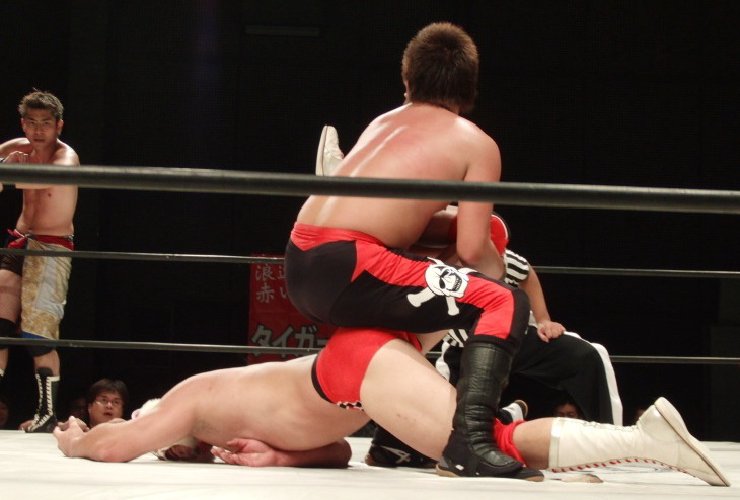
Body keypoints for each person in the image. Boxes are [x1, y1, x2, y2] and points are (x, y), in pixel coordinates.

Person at [285, 22, 535, 479]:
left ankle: (395, 438)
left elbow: (420, 226)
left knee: (482, 237)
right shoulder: (476, 142)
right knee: (503, 302)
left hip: (303, 260)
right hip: (351, 262)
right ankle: (470, 443)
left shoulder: (382, 122)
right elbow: (473, 249)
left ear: (407, 80)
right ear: (470, 86)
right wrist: (497, 280)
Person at [52, 346, 730, 487]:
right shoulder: (227, 425)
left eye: (160, 441)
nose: (165, 447)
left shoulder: (189, 399)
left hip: (355, 370)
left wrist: (76, 438)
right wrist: (282, 456)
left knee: (485, 441)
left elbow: (119, 446)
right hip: (354, 384)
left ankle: (646, 440)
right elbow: (337, 452)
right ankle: (640, 442)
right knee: (479, 444)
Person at [0, 89, 79, 433]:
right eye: (31, 122)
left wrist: (9, 172)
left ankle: (47, 414)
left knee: (37, 335)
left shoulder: (66, 157)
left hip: (51, 248)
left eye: (45, 122)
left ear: (59, 125)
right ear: (23, 123)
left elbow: (43, 178)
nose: (38, 129)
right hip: (19, 241)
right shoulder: (15, 148)